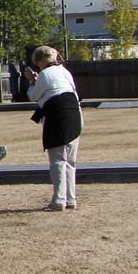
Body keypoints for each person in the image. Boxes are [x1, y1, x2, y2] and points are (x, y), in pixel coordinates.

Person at [22, 45, 82, 211]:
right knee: (70, 161)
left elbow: (34, 95)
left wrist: (32, 81)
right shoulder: (65, 71)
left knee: (57, 161)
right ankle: (70, 199)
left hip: (58, 117)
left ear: (40, 60)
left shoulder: (45, 74)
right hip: (75, 115)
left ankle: (58, 201)